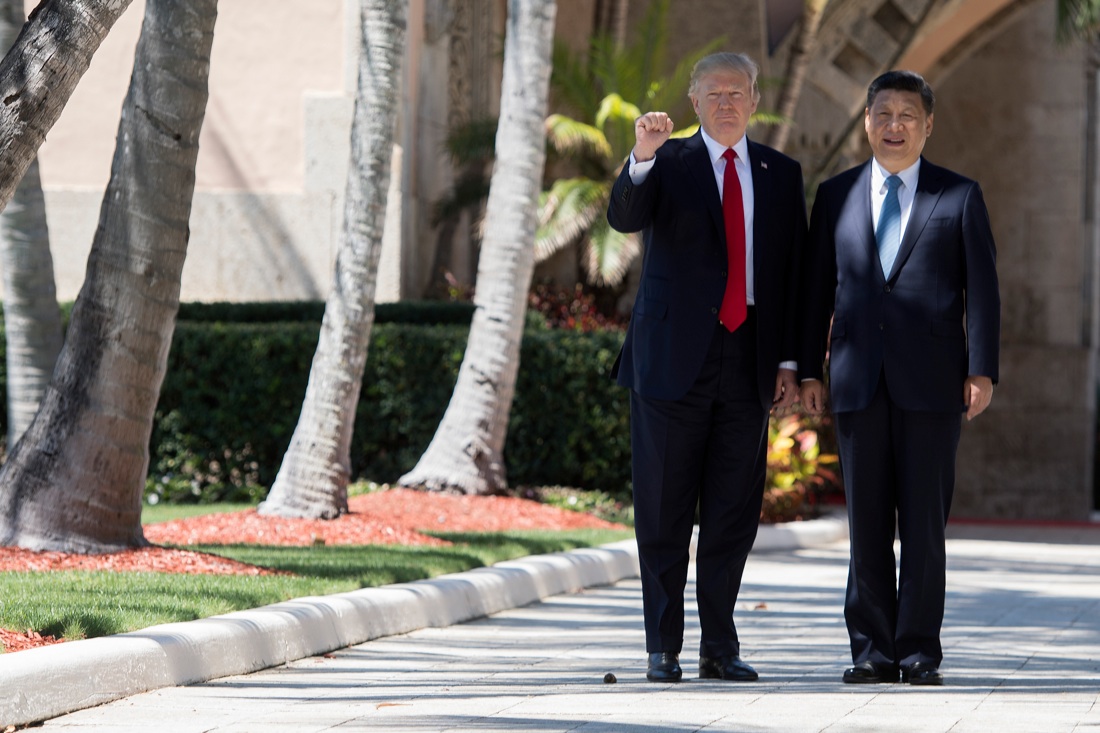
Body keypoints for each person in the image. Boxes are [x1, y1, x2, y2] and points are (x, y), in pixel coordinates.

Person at [607, 52, 806, 683]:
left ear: (753, 99)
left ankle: (719, 647)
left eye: (736, 92)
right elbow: (624, 217)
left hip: (748, 359)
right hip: (670, 360)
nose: (725, 102)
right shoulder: (666, 161)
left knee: (731, 513)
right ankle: (661, 647)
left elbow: (793, 276)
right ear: (694, 101)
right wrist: (640, 154)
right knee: (663, 510)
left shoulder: (780, 172)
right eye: (713, 93)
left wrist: (790, 361)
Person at [799, 70, 1000, 686]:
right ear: (866, 122)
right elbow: (814, 293)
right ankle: (870, 650)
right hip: (857, 381)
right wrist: (808, 369)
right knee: (865, 524)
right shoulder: (834, 195)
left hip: (934, 383)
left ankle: (917, 650)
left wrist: (982, 370)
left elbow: (984, 293)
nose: (894, 126)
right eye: (883, 114)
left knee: (922, 525)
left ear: (928, 124)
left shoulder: (959, 195)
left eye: (907, 116)